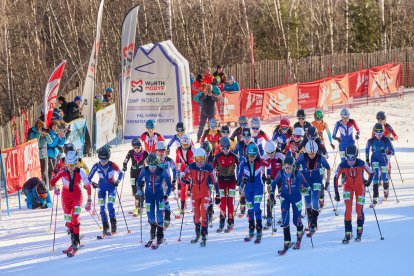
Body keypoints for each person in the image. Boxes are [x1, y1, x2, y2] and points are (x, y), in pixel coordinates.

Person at [50, 150, 91, 251]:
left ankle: (76, 241)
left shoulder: (80, 172)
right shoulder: (62, 171)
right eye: (68, 164)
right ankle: (73, 235)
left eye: (72, 164)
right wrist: (55, 189)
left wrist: (89, 200)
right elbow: (52, 182)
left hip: (77, 197)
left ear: (76, 163)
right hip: (65, 198)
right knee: (68, 221)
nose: (70, 167)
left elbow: (88, 186)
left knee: (75, 218)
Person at [332, 145, 374, 243]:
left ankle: (359, 230)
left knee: (358, 209)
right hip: (348, 187)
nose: (350, 161)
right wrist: (336, 193)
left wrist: (368, 182)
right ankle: (348, 232)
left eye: (353, 159)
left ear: (356, 157)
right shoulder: (342, 165)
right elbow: (335, 177)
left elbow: (371, 173)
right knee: (348, 209)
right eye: (348, 159)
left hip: (360, 188)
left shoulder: (361, 163)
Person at [181, 148, 217, 246]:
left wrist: (217, 194)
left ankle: (204, 234)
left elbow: (215, 181)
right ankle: (198, 233)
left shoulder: (209, 168)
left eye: (201, 159)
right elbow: (183, 177)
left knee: (203, 213)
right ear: (194, 159)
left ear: (205, 158)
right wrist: (185, 181)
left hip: (205, 193)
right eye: (197, 159)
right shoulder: (191, 166)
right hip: (194, 193)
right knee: (196, 215)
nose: (199, 162)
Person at [272, 156, 307, 253]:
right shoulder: (281, 173)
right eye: (285, 167)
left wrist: (305, 190)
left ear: (294, 167)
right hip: (285, 198)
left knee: (296, 221)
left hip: (296, 198)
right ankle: (287, 241)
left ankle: (300, 231)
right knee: (285, 219)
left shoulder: (298, 174)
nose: (287, 170)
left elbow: (307, 185)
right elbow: (273, 184)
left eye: (290, 167)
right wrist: (271, 194)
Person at [136, 153, 172, 248]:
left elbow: (169, 186)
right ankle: (153, 231)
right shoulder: (145, 170)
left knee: (159, 215)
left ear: (157, 164)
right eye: (150, 165)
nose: (152, 168)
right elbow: (138, 181)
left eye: (154, 165)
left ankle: (160, 234)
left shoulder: (162, 171)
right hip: (149, 196)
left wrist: (166, 195)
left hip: (159, 196)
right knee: (150, 215)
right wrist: (139, 189)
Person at [295, 141, 331, 236]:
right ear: (306, 151)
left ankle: (314, 224)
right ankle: (310, 223)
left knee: (315, 200)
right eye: (310, 153)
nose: (311, 155)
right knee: (307, 202)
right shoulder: (302, 157)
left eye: (313, 153)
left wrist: (327, 181)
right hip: (305, 182)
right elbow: (294, 167)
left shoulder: (320, 158)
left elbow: (328, 168)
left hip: (317, 181)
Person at [89, 147, 124, 236]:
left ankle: (113, 225)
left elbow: (121, 173)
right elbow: (88, 177)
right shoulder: (96, 165)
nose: (103, 162)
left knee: (110, 206)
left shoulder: (112, 165)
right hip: (101, 188)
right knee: (102, 208)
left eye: (105, 160)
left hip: (111, 188)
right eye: (101, 159)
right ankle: (105, 226)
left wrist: (117, 182)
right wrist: (92, 183)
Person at [238, 143, 269, 243]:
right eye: (250, 156)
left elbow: (269, 163)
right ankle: (251, 229)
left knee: (256, 208)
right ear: (247, 154)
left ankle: (259, 230)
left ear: (256, 155)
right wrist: (241, 180)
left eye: (253, 156)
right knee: (250, 209)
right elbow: (238, 175)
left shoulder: (259, 161)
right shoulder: (244, 163)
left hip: (258, 188)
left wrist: (265, 175)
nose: (251, 158)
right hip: (248, 190)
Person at [212, 137, 240, 233]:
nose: (225, 150)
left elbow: (240, 167)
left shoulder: (234, 156)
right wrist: (214, 174)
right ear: (220, 148)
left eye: (227, 148)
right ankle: (222, 220)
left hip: (231, 180)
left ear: (230, 147)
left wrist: (239, 179)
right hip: (221, 181)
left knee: (230, 201)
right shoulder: (217, 156)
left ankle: (231, 220)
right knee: (223, 201)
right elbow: (212, 169)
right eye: (223, 148)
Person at [365, 123, 395, 205]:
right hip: (374, 159)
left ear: (383, 132)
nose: (379, 135)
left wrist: (388, 154)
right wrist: (367, 160)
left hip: (384, 160)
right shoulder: (371, 140)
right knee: (376, 176)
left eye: (381, 133)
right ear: (374, 132)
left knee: (385, 177)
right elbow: (367, 150)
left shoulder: (386, 140)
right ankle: (375, 197)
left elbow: (393, 151)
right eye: (377, 133)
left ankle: (386, 191)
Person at [122, 138, 149, 216]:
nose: (136, 149)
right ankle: (136, 207)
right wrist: (124, 166)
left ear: (141, 146)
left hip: (142, 172)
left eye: (138, 147)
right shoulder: (130, 152)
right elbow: (125, 160)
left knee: (141, 188)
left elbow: (150, 161)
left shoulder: (145, 153)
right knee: (134, 190)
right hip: (133, 172)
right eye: (135, 147)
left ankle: (141, 207)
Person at [262, 140, 285, 229]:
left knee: (282, 197)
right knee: (270, 197)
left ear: (275, 150)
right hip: (270, 179)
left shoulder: (280, 156)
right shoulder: (264, 157)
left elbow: (287, 165)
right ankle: (269, 217)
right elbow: (261, 166)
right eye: (268, 153)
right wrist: (263, 175)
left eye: (272, 153)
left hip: (280, 179)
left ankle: (284, 216)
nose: (271, 155)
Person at [155, 141, 177, 228]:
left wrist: (174, 181)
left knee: (165, 199)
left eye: (162, 151)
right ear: (156, 151)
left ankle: (167, 218)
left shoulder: (169, 160)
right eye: (159, 151)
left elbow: (174, 170)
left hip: (166, 182)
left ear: (165, 151)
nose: (161, 152)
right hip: (157, 182)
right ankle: (160, 218)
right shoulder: (154, 161)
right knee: (159, 200)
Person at [175, 134, 195, 213]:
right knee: (183, 187)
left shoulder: (192, 149)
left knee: (193, 187)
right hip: (183, 169)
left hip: (192, 169)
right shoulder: (178, 150)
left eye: (186, 144)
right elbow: (177, 160)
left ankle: (194, 205)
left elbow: (195, 160)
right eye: (183, 144)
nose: (184, 146)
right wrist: (177, 171)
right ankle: (183, 206)